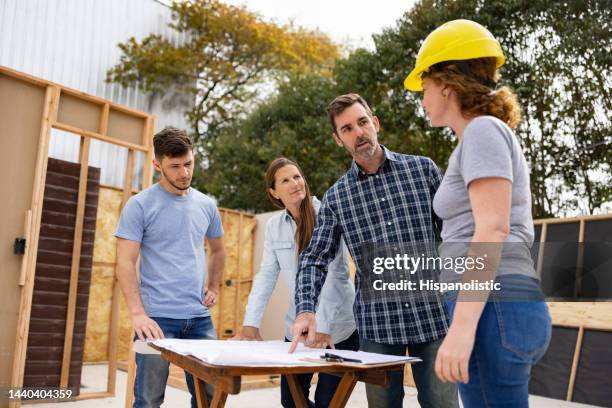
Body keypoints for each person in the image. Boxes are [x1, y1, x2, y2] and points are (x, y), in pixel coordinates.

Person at [404, 19, 552, 407]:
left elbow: (492, 228)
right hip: (492, 304)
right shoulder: (476, 138)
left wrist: (463, 329)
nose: (422, 99)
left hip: (494, 307)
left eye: (425, 86)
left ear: (447, 85)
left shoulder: (483, 131)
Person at [291, 94, 459, 408]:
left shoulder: (422, 170)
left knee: (444, 404)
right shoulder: (337, 197)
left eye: (362, 122)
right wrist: (305, 309)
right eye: (347, 129)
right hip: (378, 326)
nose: (358, 133)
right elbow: (314, 257)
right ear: (338, 140)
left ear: (375, 123)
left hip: (433, 316)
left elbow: (455, 233)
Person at [233, 157, 358, 408]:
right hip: (299, 330)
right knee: (291, 402)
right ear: (274, 192)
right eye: (285, 180)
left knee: (327, 403)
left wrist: (322, 326)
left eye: (297, 176)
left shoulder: (328, 214)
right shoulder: (274, 227)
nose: (295, 183)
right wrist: (250, 324)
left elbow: (337, 276)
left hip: (337, 331)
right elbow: (266, 276)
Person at [115, 127, 226, 408]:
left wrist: (213, 286)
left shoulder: (206, 205)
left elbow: (218, 249)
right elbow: (125, 262)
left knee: (211, 398)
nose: (184, 173)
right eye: (174, 166)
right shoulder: (139, 205)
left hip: (200, 320)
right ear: (157, 165)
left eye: (188, 164)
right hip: (155, 321)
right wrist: (138, 314)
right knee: (148, 398)